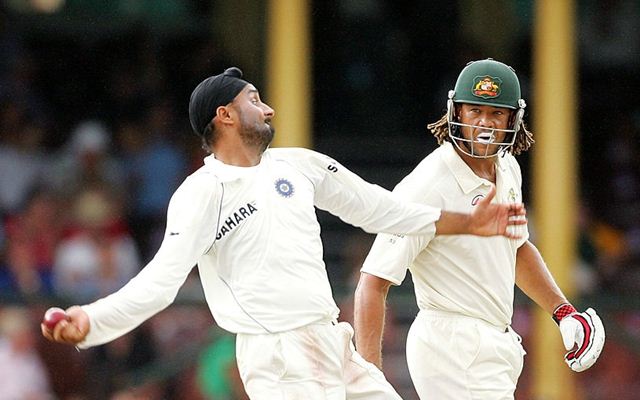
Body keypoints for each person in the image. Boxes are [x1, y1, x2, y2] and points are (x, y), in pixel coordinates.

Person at [42, 66, 527, 400]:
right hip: (277, 354)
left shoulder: (299, 165)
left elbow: (382, 210)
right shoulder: (201, 192)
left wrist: (467, 222)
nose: (269, 109)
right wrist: (92, 321)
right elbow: (160, 283)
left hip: (332, 340)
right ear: (224, 115)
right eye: (255, 100)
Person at [354, 58, 606, 399]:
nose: (484, 124)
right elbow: (372, 283)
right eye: (475, 111)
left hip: (495, 342)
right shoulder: (427, 186)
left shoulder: (508, 168)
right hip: (452, 345)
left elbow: (515, 249)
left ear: (514, 119)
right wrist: (370, 380)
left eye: (496, 113)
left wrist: (563, 313)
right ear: (456, 113)